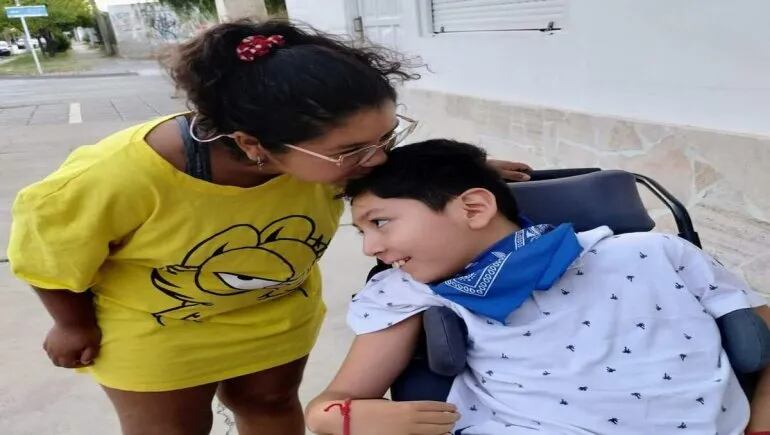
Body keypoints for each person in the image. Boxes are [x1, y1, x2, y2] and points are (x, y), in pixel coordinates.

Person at [6, 21, 531, 435]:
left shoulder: (333, 160)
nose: (376, 161)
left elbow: (381, 165)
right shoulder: (113, 180)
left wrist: (460, 173)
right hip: (158, 333)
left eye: (387, 138)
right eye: (351, 151)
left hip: (276, 316)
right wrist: (72, 324)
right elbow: (48, 258)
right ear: (255, 146)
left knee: (271, 403)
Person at [305, 139, 770, 435]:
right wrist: (346, 419)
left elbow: (761, 325)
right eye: (362, 232)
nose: (370, 248)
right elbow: (325, 408)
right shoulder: (410, 289)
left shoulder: (651, 254)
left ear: (473, 209)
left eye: (380, 223)